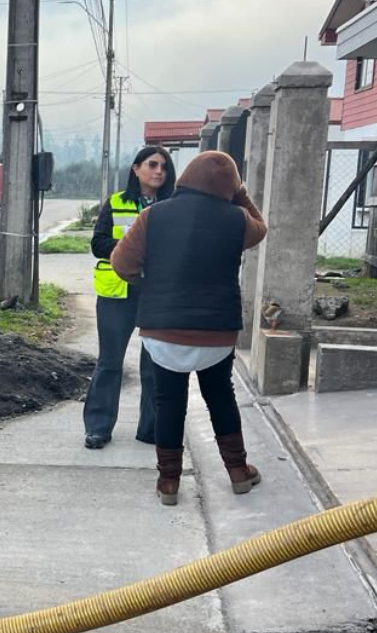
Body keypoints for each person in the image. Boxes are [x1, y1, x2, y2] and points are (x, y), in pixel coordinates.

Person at [109, 151, 268, 506]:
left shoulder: (154, 215)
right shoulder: (236, 219)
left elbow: (120, 263)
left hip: (163, 331)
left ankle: (168, 482)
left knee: (168, 402)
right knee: (220, 397)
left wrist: (145, 282)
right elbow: (262, 226)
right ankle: (239, 471)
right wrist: (239, 193)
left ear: (184, 179)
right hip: (216, 334)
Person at [82, 146, 176, 450]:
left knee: (154, 363)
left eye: (164, 165)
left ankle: (150, 428)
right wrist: (131, 249)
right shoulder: (116, 203)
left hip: (156, 294)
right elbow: (98, 243)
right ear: (136, 169)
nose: (159, 170)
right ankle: (98, 428)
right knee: (110, 363)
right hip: (117, 292)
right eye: (152, 164)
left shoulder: (174, 205)